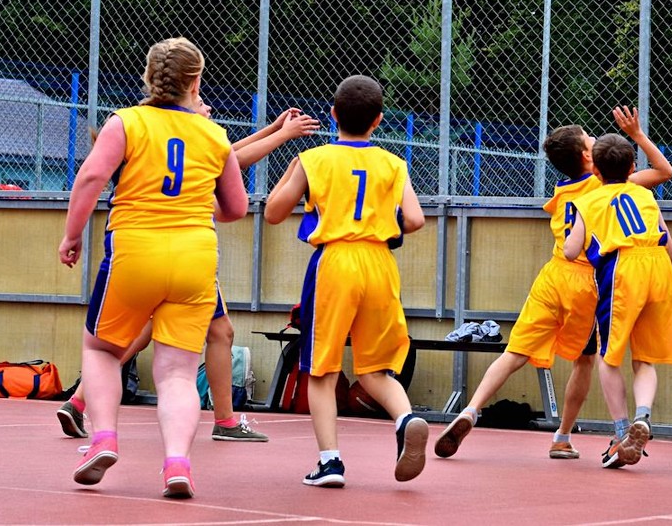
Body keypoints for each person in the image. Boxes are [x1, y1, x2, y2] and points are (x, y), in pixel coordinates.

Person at [57, 105, 321, 444]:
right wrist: (282, 135)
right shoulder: (187, 138)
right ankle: (223, 422)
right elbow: (233, 163)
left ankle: (79, 402)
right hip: (184, 252)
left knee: (138, 334)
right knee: (217, 335)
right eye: (200, 100)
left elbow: (229, 154)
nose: (209, 106)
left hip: (139, 250)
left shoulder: (152, 132)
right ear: (186, 93)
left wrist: (273, 129)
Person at [58, 37, 249, 498]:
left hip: (135, 251)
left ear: (149, 76)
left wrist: (72, 234)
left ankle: (104, 439)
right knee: (178, 372)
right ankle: (177, 464)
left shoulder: (126, 122)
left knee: (101, 349)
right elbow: (236, 208)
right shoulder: (215, 135)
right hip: (194, 258)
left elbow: (91, 176)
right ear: (196, 82)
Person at [433, 106, 672, 461]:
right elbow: (663, 172)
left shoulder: (563, 188)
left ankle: (470, 409)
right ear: (589, 158)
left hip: (552, 274)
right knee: (586, 361)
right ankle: (567, 435)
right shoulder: (602, 185)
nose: (594, 138)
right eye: (590, 139)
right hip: (587, 283)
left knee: (514, 352)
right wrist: (636, 135)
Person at [264, 74, 428, 489]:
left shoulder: (314, 159)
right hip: (380, 263)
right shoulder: (394, 164)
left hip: (334, 263)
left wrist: (294, 171)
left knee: (321, 369)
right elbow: (415, 219)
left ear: (333, 114)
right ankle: (405, 418)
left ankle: (330, 461)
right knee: (376, 369)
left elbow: (273, 212)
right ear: (378, 120)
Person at [562, 133, 672, 468]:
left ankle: (623, 430)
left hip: (622, 271)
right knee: (645, 358)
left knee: (608, 357)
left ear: (596, 171)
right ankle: (643, 415)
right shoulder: (645, 195)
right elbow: (671, 251)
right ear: (632, 167)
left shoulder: (589, 201)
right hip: (659, 268)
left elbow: (570, 250)